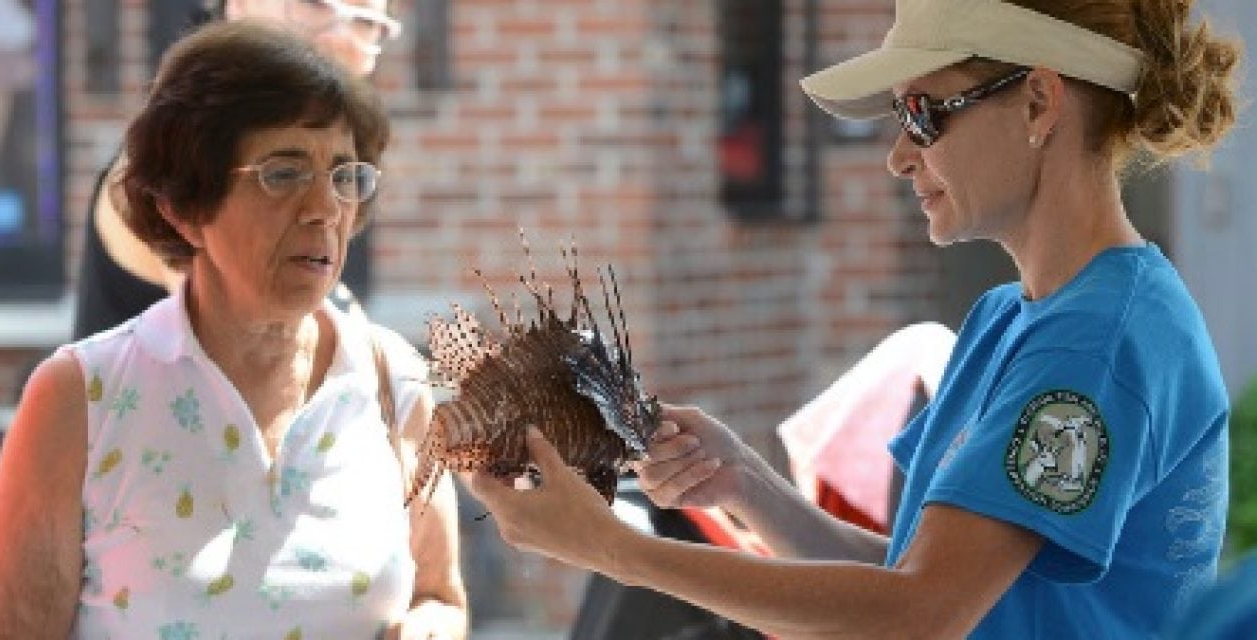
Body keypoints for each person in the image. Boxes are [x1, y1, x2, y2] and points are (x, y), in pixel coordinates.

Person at [464, 0, 1239, 637]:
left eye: (925, 113)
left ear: (1039, 101)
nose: (900, 156)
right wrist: (750, 485)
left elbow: (920, 615)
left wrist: (612, 549)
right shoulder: (1015, 317)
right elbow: (915, 579)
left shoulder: (1097, 339)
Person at [0, 21, 466, 639]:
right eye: (283, 173)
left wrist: (429, 629)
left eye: (344, 175)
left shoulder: (394, 384)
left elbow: (440, 597)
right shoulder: (78, 398)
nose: (324, 208)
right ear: (185, 207)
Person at [73, 0, 401, 339]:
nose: (342, 37)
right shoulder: (173, 165)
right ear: (238, 4)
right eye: (315, 4)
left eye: (365, 20)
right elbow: (265, 350)